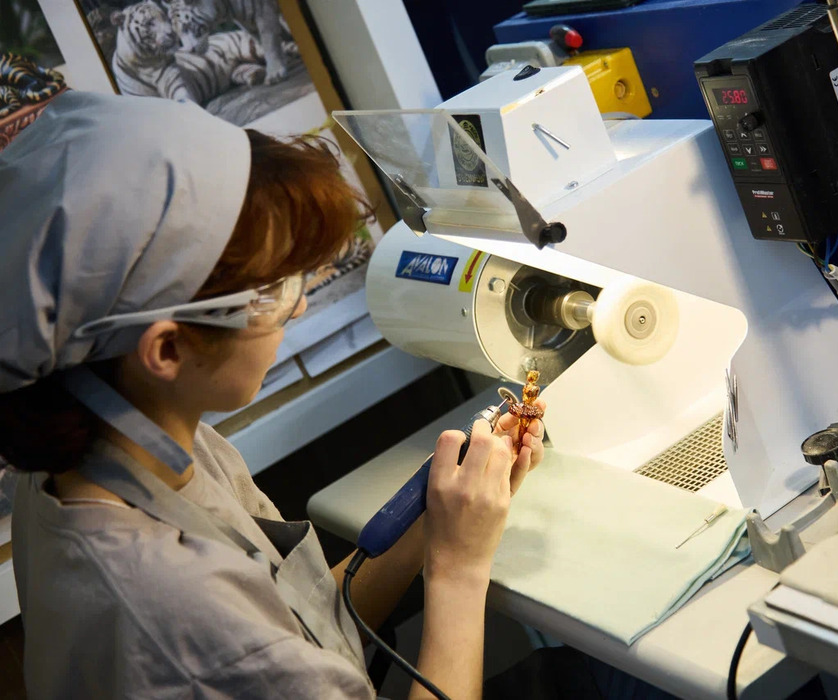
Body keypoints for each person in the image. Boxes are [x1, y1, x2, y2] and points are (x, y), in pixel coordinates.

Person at [0, 91, 545, 699]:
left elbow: (307, 628)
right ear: (167, 350)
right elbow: (262, 654)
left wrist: (443, 516)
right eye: (274, 291)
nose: (301, 304)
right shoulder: (181, 615)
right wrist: (460, 569)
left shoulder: (125, 453)